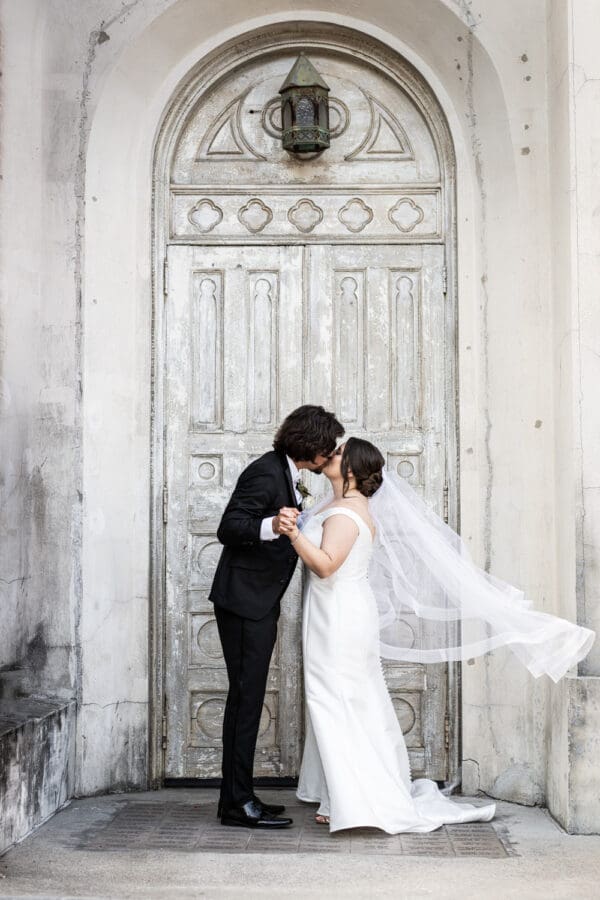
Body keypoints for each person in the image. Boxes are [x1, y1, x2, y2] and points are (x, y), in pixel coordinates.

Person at [280, 437, 595, 833]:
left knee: (338, 698)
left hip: (340, 615)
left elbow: (325, 566)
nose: (331, 454)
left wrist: (294, 534)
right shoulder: (342, 506)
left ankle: (353, 797)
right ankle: (339, 793)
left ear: (353, 471)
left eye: (340, 453)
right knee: (350, 698)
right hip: (337, 612)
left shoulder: (345, 514)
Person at [209, 405, 344, 829]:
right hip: (244, 602)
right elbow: (229, 527)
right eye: (329, 448)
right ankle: (236, 804)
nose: (331, 455)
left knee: (247, 699)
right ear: (313, 447)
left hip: (257, 602)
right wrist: (271, 524)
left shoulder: (284, 472)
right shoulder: (265, 472)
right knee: (245, 700)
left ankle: (240, 796)